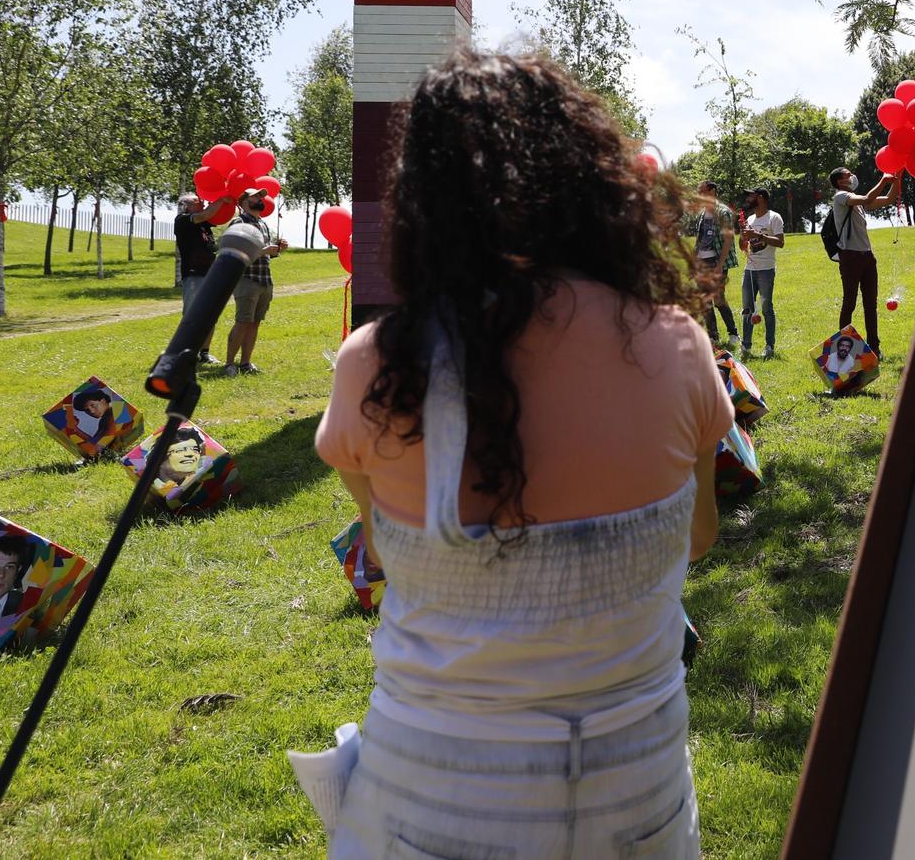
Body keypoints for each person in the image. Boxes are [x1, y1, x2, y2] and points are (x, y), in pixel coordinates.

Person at [308, 51, 727, 858]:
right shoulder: (676, 343)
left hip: (430, 800)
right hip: (636, 798)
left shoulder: (376, 365)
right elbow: (696, 536)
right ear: (587, 175)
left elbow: (395, 555)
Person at [828, 166, 899, 358]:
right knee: (849, 302)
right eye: (847, 174)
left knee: (871, 303)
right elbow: (868, 198)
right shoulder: (841, 197)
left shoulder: (856, 201)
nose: (852, 176)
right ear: (839, 181)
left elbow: (890, 199)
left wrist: (898, 177)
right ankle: (842, 350)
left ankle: (874, 348)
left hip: (867, 256)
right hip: (850, 256)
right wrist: (884, 180)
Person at [223, 190, 285, 377]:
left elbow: (265, 254)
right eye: (256, 197)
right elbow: (234, 251)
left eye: (261, 197)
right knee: (243, 322)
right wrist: (264, 250)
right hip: (246, 279)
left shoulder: (263, 224)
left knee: (255, 323)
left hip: (264, 279)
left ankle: (245, 363)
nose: (260, 199)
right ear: (244, 202)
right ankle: (229, 364)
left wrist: (276, 250)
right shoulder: (239, 223)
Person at [174, 192, 232, 364]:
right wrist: (221, 199)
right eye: (197, 201)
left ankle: (204, 353)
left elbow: (214, 217)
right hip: (194, 275)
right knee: (192, 317)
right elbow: (207, 214)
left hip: (211, 275)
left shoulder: (205, 225)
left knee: (210, 315)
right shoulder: (183, 220)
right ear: (187, 206)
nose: (202, 202)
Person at [689, 181, 738, 345]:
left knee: (718, 298)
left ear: (712, 191)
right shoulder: (703, 214)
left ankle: (733, 334)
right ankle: (713, 336)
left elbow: (728, 241)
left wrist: (720, 266)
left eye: (701, 191)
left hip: (716, 262)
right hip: (701, 262)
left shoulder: (723, 212)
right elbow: (699, 239)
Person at [737, 187, 783, 359]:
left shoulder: (774, 217)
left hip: (766, 271)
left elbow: (780, 242)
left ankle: (769, 346)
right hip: (749, 270)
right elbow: (743, 247)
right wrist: (743, 237)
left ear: (761, 198)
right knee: (747, 309)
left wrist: (757, 234)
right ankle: (746, 346)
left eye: (751, 196)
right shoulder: (749, 218)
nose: (748, 198)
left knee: (766, 308)